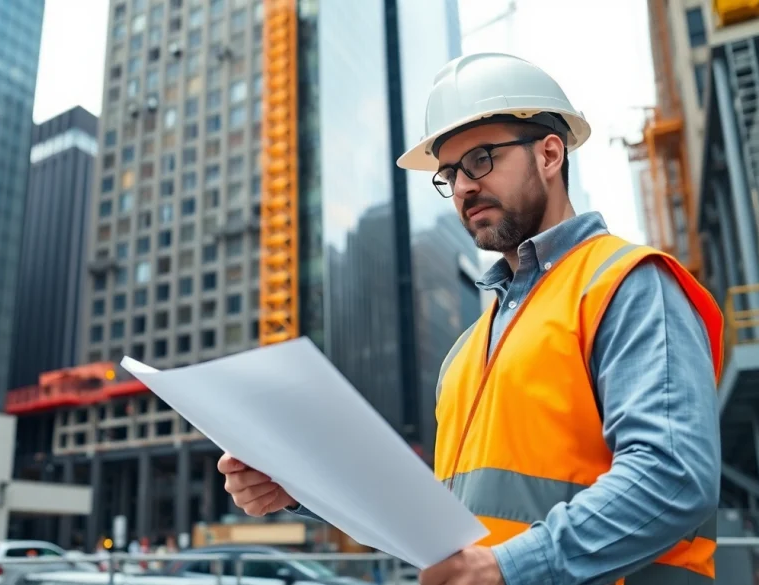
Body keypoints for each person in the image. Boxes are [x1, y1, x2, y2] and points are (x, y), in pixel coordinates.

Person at [218, 52, 725, 585]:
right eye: (449, 173)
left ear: (550, 154)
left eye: (480, 159)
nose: (461, 187)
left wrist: (507, 568)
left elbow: (673, 476)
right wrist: (300, 489)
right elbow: (441, 519)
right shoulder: (466, 351)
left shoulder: (629, 284)